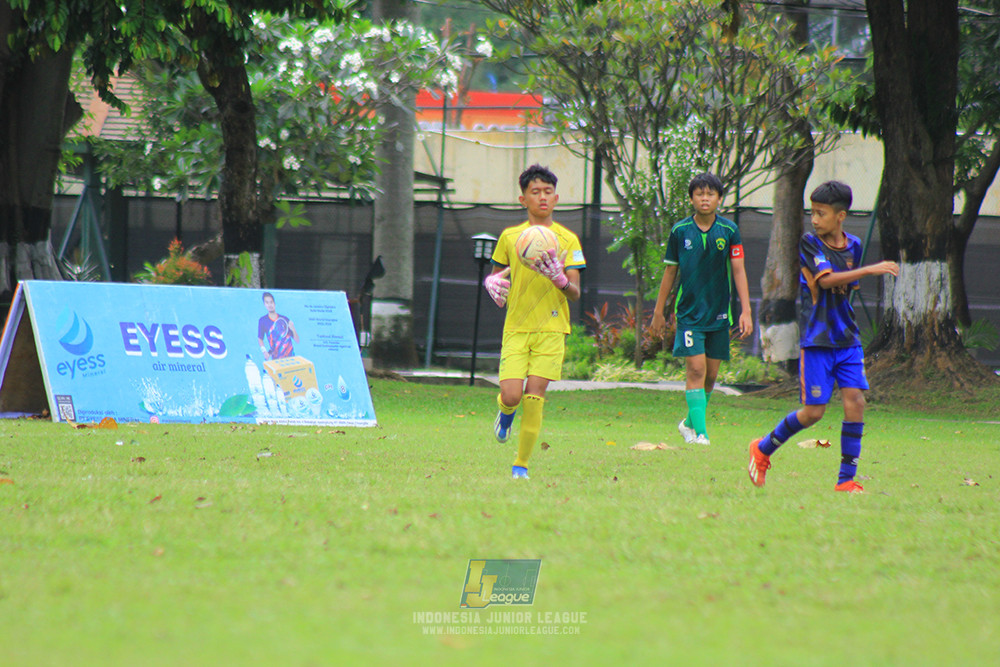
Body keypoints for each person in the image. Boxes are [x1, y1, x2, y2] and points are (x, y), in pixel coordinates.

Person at [747, 180, 899, 492]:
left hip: (847, 339)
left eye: (821, 213)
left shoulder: (854, 245)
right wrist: (872, 270)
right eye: (812, 213)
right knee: (813, 413)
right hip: (816, 341)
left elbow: (846, 288)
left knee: (855, 402)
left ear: (840, 216)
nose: (814, 219)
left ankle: (846, 481)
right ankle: (762, 449)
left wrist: (857, 276)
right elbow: (827, 281)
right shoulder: (809, 243)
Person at [483, 164, 586, 480]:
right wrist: (490, 284)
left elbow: (576, 293)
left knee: (534, 394)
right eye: (535, 192)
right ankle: (505, 413)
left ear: (556, 198)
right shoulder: (510, 237)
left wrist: (560, 281)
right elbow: (498, 275)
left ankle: (521, 466)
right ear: (522, 199)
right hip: (516, 327)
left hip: (552, 329)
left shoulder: (568, 240)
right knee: (512, 395)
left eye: (547, 192)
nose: (542, 197)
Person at [649, 173, 753, 445]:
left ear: (719, 199)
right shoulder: (680, 231)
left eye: (710, 194)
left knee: (711, 377)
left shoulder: (729, 231)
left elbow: (739, 271)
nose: (705, 199)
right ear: (692, 198)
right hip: (689, 315)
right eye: (699, 194)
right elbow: (670, 272)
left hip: (719, 314)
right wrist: (659, 312)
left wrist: (746, 311)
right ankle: (701, 434)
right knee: (695, 371)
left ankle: (687, 424)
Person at [258, 292, 300, 360]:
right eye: (267, 302)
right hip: (277, 360)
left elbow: (297, 340)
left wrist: (293, 329)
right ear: (264, 304)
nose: (269, 305)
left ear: (274, 303)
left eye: (271, 302)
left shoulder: (285, 319)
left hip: (291, 358)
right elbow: (260, 339)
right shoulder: (262, 321)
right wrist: (265, 352)